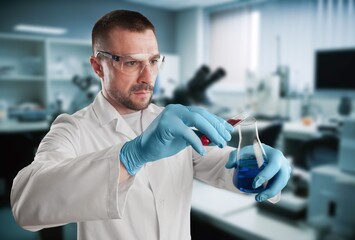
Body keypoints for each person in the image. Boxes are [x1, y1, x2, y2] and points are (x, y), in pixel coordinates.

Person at [11, 10, 291, 240]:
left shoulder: (169, 123)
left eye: (154, 61)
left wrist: (263, 167)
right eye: (132, 63)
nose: (148, 77)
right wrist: (132, 156)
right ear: (98, 67)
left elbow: (222, 165)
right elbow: (26, 205)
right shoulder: (73, 129)